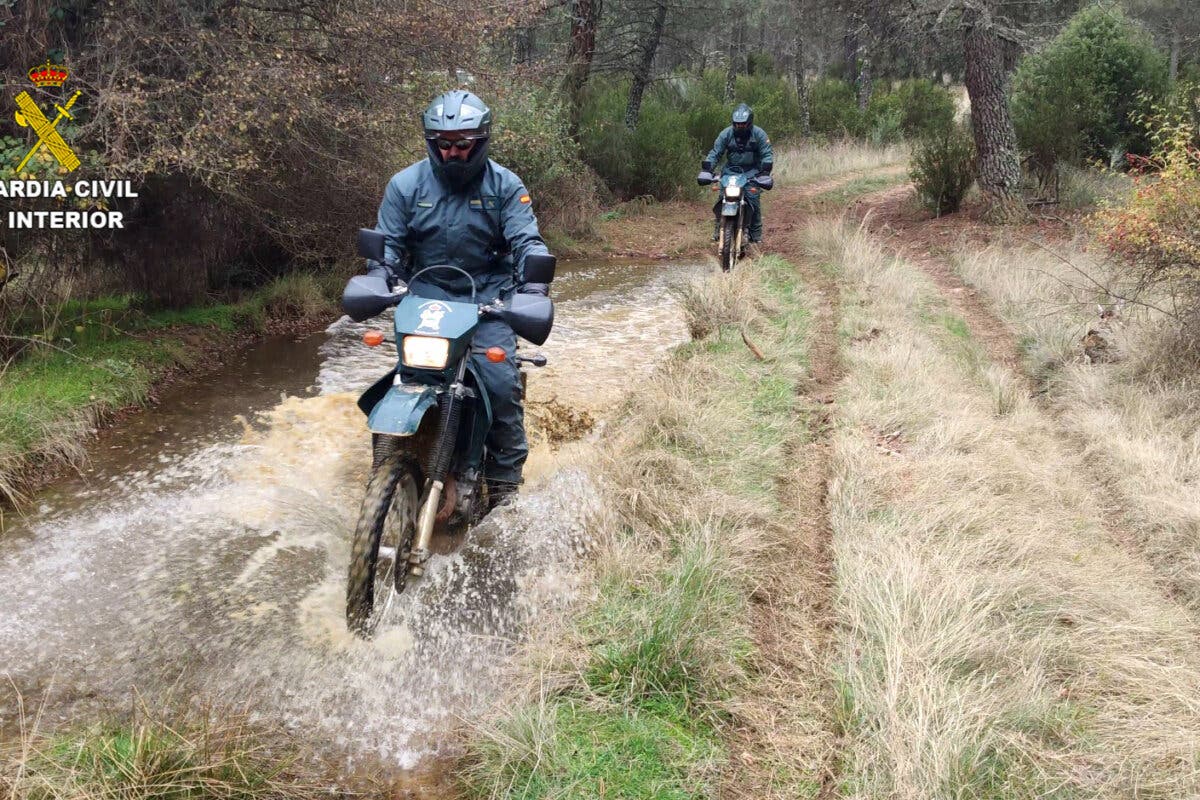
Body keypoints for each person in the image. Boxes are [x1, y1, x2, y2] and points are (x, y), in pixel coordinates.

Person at [367, 89, 551, 508]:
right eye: (444, 144)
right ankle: (388, 470)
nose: (453, 153)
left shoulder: (506, 186)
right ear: (432, 143)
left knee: (502, 387)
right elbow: (388, 245)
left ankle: (505, 495)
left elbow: (527, 242)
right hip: (425, 299)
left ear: (480, 142)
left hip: (487, 298)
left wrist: (534, 288)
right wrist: (379, 275)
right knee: (403, 379)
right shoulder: (405, 185)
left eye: (463, 145)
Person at [701, 103, 774, 245]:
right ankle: (719, 230)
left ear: (749, 122)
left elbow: (767, 154)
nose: (740, 126)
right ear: (733, 123)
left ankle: (755, 235)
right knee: (723, 197)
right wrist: (707, 169)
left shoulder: (759, 134)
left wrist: (765, 172)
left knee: (753, 198)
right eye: (737, 124)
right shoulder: (726, 134)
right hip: (730, 171)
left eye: (743, 124)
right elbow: (715, 152)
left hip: (752, 172)